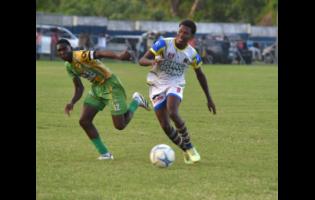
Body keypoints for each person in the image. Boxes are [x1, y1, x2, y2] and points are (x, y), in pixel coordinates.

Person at [56, 39, 151, 160]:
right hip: (97, 88)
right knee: (84, 121)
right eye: (59, 51)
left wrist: (119, 56)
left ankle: (136, 101)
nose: (62, 52)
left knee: (120, 126)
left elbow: (99, 53)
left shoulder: (79, 55)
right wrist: (72, 102)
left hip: (111, 85)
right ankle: (105, 154)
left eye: (65, 49)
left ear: (70, 48)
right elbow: (79, 87)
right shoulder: (68, 66)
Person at [139, 19, 216, 164]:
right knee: (165, 125)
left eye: (185, 33)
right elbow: (141, 60)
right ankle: (185, 150)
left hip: (176, 82)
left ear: (191, 37)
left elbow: (200, 75)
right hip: (156, 84)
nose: (181, 35)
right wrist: (153, 62)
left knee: (173, 111)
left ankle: (190, 146)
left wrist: (209, 98)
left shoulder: (192, 54)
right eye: (180, 31)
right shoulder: (163, 43)